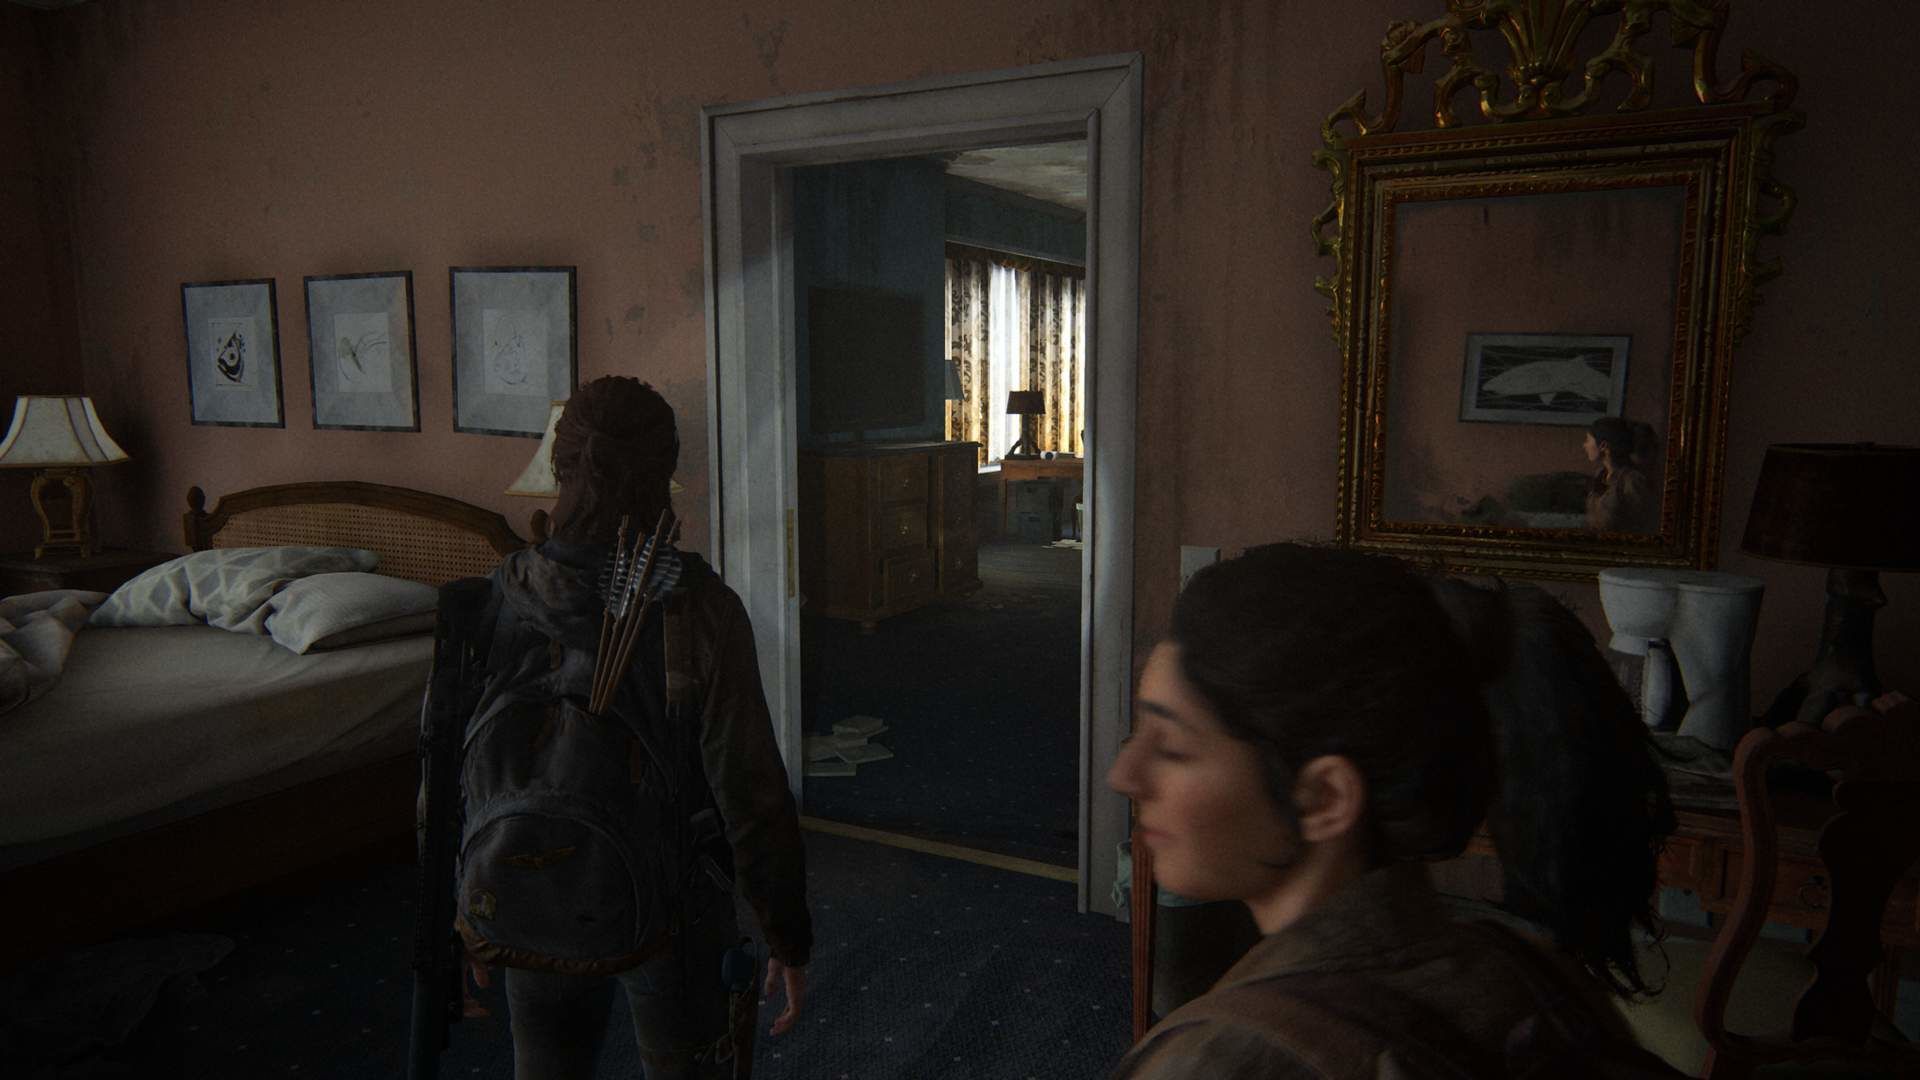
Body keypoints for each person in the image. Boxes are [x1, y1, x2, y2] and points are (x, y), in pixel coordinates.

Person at [1107, 543, 1677, 1078]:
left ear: (1325, 798)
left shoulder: (1218, 1061)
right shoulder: (1544, 979)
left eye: (1173, 745)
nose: (1124, 775)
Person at [468, 376, 812, 1079]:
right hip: (672, 904)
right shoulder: (699, 606)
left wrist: (464, 908)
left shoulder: (500, 593)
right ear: (665, 471)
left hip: (527, 879)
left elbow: (450, 769)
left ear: (561, 464)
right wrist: (785, 932)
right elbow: (748, 788)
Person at [1584, 416, 1658, 533]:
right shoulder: (1600, 474)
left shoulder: (1632, 480)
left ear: (1603, 445)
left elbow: (1643, 525)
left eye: (1588, 440)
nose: (1585, 445)